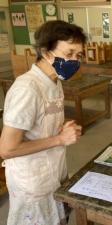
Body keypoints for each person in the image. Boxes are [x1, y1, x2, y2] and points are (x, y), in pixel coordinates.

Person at [0, 20, 86, 225]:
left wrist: (62, 129)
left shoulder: (54, 81)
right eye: (69, 53)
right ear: (46, 52)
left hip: (52, 171)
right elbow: (7, 149)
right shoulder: (27, 89)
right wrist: (59, 139)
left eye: (79, 55)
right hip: (32, 181)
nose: (75, 61)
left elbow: (41, 124)